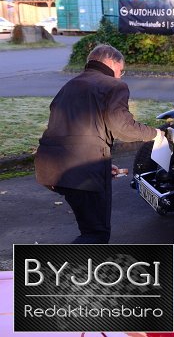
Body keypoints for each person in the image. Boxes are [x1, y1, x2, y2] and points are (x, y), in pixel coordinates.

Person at [35, 44, 164, 244]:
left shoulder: (71, 85)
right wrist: (155, 133)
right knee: (95, 235)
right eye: (121, 70)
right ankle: (57, 265)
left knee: (89, 227)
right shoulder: (113, 86)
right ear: (111, 62)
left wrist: (101, 164)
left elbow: (73, 130)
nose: (120, 76)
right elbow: (123, 128)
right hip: (82, 172)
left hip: (51, 168)